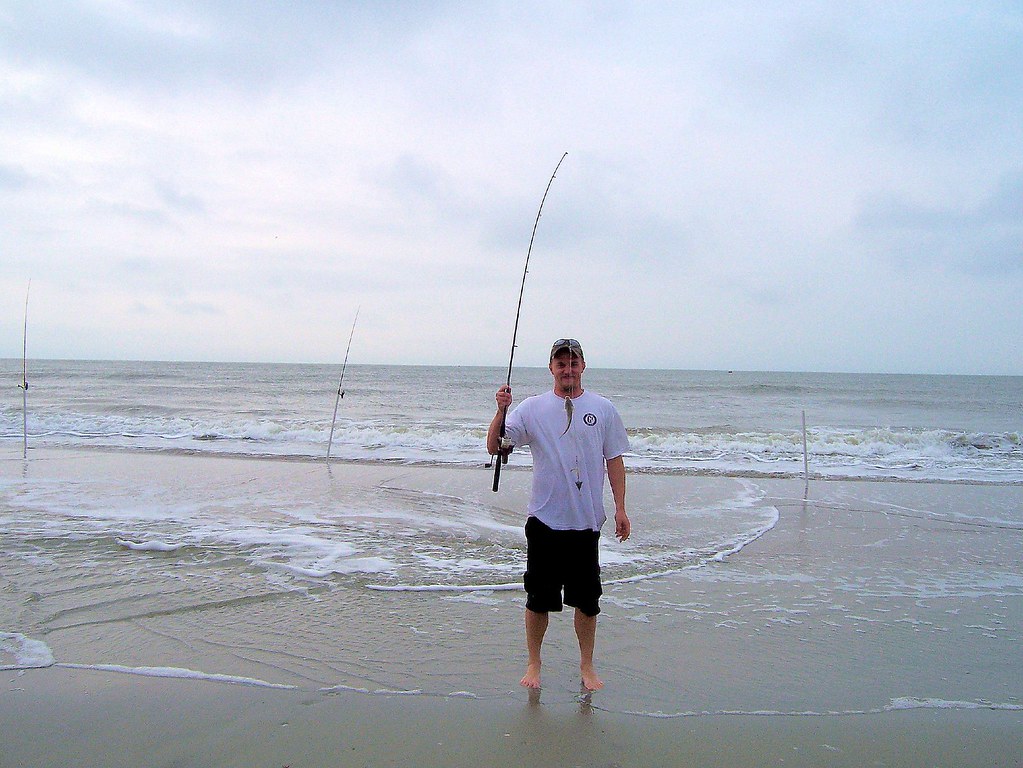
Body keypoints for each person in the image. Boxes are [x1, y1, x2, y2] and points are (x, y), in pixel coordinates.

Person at [487, 338, 630, 691]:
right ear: (551, 368)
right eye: (561, 363)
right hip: (544, 522)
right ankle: (534, 663)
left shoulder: (604, 408)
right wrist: (500, 411)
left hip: (586, 524)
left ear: (583, 366)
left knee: (588, 602)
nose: (568, 369)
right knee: (538, 600)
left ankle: (587, 665)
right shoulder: (532, 408)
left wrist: (621, 508)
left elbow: (614, 460)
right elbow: (496, 447)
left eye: (573, 362)